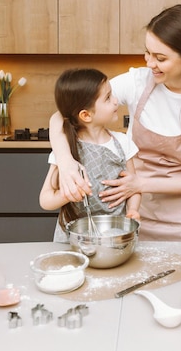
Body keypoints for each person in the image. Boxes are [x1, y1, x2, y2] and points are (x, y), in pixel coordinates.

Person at [49, 4, 181, 242]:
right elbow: (63, 114)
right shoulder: (137, 82)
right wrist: (65, 163)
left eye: (160, 58)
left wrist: (139, 183)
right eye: (147, 53)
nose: (149, 63)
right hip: (134, 209)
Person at [40, 68, 141, 242]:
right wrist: (67, 194)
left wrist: (133, 209)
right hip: (72, 238)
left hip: (114, 234)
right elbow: (45, 200)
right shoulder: (66, 149)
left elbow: (134, 188)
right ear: (86, 115)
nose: (116, 101)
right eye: (108, 98)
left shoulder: (123, 143)